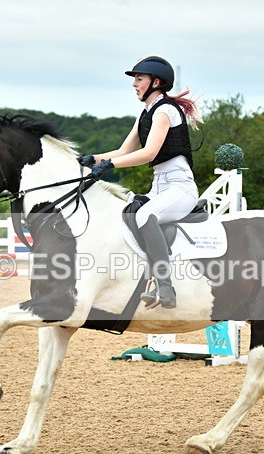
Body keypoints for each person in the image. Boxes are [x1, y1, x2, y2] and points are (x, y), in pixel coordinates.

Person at [78, 56, 203, 310]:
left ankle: (166, 287)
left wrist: (110, 166)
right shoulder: (145, 114)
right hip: (160, 187)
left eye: (139, 79)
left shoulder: (166, 111)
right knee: (128, 213)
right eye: (135, 79)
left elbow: (149, 153)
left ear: (156, 82)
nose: (134, 84)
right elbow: (124, 150)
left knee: (145, 215)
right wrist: (93, 159)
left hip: (180, 187)